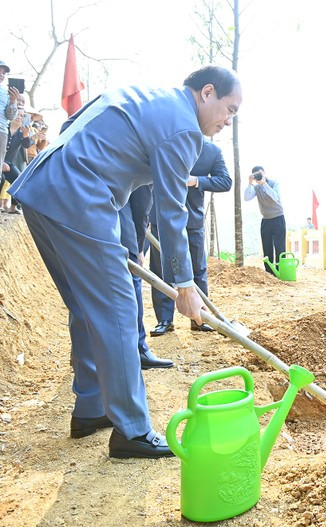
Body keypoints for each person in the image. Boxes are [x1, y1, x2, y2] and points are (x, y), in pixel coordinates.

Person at [9, 65, 242, 458]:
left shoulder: (148, 95)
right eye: (230, 109)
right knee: (118, 308)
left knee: (87, 308)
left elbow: (75, 124)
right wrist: (185, 286)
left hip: (43, 186)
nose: (229, 121)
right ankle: (133, 431)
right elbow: (172, 212)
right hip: (79, 196)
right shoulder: (184, 127)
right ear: (206, 93)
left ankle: (92, 407)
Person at [149, 139, 232, 335]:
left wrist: (196, 181)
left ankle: (199, 318)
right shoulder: (164, 143)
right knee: (160, 270)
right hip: (160, 218)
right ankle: (165, 320)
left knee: (198, 269)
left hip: (193, 219)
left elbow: (225, 181)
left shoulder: (212, 151)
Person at [119, 187, 173, 369]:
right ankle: (138, 350)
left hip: (83, 229)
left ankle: (87, 353)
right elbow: (141, 203)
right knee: (130, 290)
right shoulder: (143, 159)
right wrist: (139, 246)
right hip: (121, 233)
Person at [244, 165, 285, 274]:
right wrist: (249, 183)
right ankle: (269, 273)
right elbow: (246, 197)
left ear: (264, 173)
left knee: (280, 247)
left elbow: (275, 197)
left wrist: (264, 184)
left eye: (260, 174)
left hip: (278, 218)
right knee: (267, 248)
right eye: (256, 175)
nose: (258, 176)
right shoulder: (256, 188)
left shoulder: (274, 183)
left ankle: (281, 272)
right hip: (266, 220)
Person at [0, 60, 20, 178]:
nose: (2, 74)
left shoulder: (7, 93)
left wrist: (13, 101)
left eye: (4, 73)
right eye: (0, 71)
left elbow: (11, 116)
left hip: (1, 132)